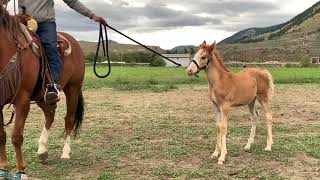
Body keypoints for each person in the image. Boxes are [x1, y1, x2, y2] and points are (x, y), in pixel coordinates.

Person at [17, 0, 107, 103]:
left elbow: (72, 1)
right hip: (21, 23)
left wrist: (92, 15)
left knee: (51, 47)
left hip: (45, 24)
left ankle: (52, 86)